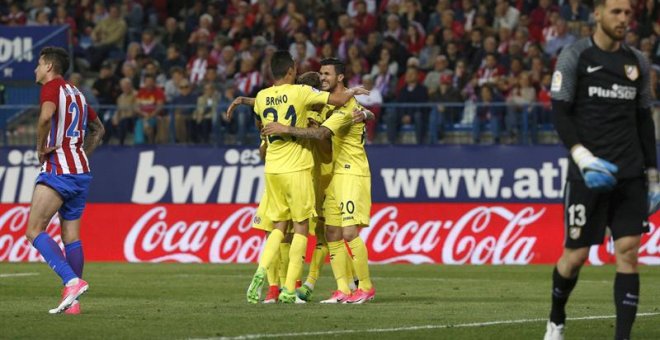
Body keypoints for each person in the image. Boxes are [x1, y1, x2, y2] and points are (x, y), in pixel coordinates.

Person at [545, 0, 658, 339]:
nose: (624, 19)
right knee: (575, 256)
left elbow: (643, 121)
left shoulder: (637, 62)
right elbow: (560, 113)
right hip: (587, 174)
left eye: (628, 14)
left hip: (630, 173)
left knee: (628, 252)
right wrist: (581, 156)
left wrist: (653, 175)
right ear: (597, 14)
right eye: (616, 12)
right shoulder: (575, 56)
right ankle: (556, 318)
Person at [244, 51, 367, 304]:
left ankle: (304, 283)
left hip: (311, 173)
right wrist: (355, 96)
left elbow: (324, 142)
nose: (322, 78)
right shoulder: (303, 99)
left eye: (326, 74)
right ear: (291, 71)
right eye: (320, 75)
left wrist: (364, 111)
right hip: (301, 173)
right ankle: (289, 287)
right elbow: (335, 105)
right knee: (306, 231)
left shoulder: (266, 98)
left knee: (307, 231)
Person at [26, 46, 105, 314]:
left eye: (38, 64)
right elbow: (99, 129)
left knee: (34, 230)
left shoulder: (52, 88)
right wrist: (81, 152)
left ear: (49, 66)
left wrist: (41, 147)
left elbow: (46, 117)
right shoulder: (78, 93)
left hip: (59, 168)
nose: (36, 69)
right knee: (70, 236)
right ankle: (74, 302)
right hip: (81, 170)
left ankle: (71, 281)